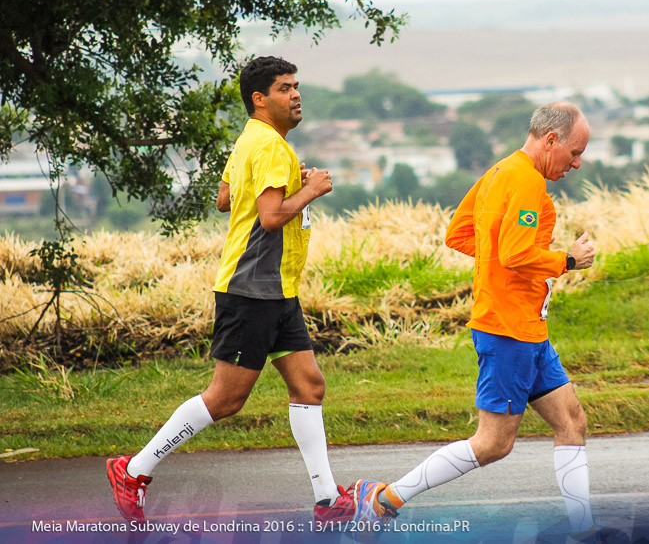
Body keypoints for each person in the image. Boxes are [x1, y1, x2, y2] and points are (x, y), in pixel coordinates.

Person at [106, 56, 354, 525]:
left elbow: (224, 198)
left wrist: (284, 185)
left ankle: (328, 501)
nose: (296, 95)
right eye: (284, 88)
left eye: (297, 86)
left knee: (309, 384)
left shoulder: (252, 141)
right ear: (260, 99)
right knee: (226, 399)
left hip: (277, 288)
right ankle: (133, 470)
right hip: (252, 289)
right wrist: (312, 188)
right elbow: (270, 217)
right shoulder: (269, 148)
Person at [349, 101, 599, 535]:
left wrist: (500, 263)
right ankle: (382, 500)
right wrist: (568, 260)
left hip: (526, 329)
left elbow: (459, 233)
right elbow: (518, 253)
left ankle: (584, 529)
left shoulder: (500, 172)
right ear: (551, 140)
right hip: (507, 330)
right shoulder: (524, 182)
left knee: (572, 421)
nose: (577, 163)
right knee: (493, 444)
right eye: (574, 153)